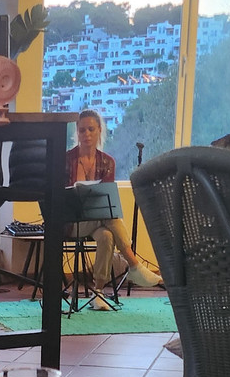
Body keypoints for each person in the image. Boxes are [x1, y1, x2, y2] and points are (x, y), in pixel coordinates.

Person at [65, 110, 162, 306]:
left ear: (99, 130)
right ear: (77, 132)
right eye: (82, 130)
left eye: (91, 129)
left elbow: (105, 199)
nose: (87, 134)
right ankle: (133, 265)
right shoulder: (66, 160)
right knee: (110, 217)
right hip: (72, 223)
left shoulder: (107, 162)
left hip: (97, 220)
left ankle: (98, 292)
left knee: (107, 236)